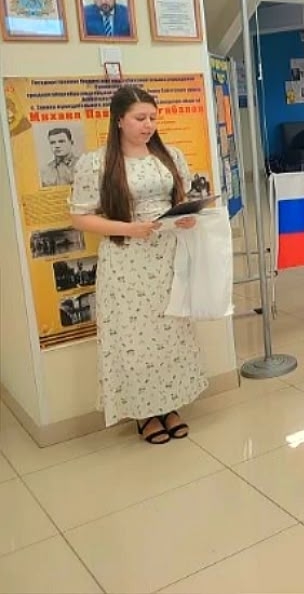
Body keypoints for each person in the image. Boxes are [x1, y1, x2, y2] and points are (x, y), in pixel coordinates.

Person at [68, 85, 206, 444]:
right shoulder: (97, 163)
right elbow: (79, 217)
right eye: (140, 118)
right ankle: (145, 412)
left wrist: (184, 216)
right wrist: (129, 228)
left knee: (171, 332)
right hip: (126, 259)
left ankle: (170, 403)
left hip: (168, 257)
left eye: (153, 118)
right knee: (136, 337)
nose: (148, 125)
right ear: (119, 120)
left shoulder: (169, 156)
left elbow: (182, 198)